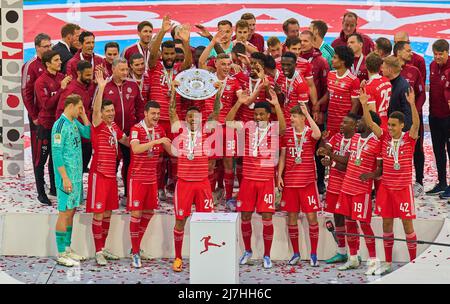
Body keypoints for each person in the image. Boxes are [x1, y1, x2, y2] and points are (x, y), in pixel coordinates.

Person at [360, 84, 419, 275]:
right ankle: (387, 262)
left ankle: (413, 262)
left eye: (394, 125)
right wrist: (364, 105)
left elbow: (416, 125)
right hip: (386, 188)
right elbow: (370, 123)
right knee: (386, 224)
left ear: (402, 125)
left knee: (407, 225)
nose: (390, 128)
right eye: (389, 125)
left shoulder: (409, 139)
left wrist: (412, 105)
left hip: (403, 189)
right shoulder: (384, 136)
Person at [226, 90, 286, 269]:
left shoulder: (274, 128)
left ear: (268, 116)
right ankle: (248, 251)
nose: (258, 117)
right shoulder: (248, 126)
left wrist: (277, 106)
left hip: (266, 180)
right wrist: (238, 103)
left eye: (261, 114)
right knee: (245, 216)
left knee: (267, 217)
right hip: (248, 180)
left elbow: (283, 129)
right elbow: (228, 122)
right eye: (256, 114)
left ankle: (267, 255)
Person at [169, 81, 220, 272]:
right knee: (180, 220)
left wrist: (218, 90)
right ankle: (178, 257)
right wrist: (174, 89)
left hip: (203, 184)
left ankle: (205, 259)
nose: (192, 119)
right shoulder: (180, 130)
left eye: (196, 117)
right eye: (189, 116)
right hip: (184, 183)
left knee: (206, 221)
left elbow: (216, 111)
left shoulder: (207, 131)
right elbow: (171, 111)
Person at [148, 15, 192, 201]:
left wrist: (186, 42)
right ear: (161, 55)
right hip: (157, 120)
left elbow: (189, 63)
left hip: (175, 120)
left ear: (175, 55)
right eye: (165, 54)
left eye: (171, 54)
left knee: (175, 157)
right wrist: (163, 31)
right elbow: (151, 54)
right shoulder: (154, 67)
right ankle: (158, 189)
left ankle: (173, 188)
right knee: (157, 158)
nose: (168, 57)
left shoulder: (180, 70)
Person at [87, 70, 129, 266]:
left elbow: (127, 142)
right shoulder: (97, 125)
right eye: (108, 111)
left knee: (108, 213)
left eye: (112, 111)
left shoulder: (114, 128)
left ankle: (102, 248)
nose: (111, 113)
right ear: (101, 114)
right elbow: (95, 111)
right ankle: (97, 252)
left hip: (111, 175)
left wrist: (147, 142)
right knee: (98, 213)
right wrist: (102, 87)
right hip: (99, 174)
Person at [335, 112, 382, 274]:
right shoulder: (354, 138)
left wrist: (371, 175)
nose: (358, 122)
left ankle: (374, 261)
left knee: (364, 224)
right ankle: (353, 258)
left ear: (370, 123)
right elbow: (348, 160)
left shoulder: (377, 143)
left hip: (362, 191)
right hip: (346, 187)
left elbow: (381, 169)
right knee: (349, 222)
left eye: (361, 120)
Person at [94, 58, 144, 206]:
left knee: (130, 165)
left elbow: (140, 108)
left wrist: (138, 129)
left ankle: (128, 194)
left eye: (126, 69)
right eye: (121, 69)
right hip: (110, 134)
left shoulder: (133, 85)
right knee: (111, 166)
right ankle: (109, 195)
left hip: (129, 133)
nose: (125, 72)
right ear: (113, 69)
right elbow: (96, 109)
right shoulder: (104, 86)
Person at [128, 100, 171, 268]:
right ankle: (136, 253)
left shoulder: (160, 130)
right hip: (137, 178)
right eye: (153, 113)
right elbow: (136, 149)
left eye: (158, 114)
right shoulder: (136, 129)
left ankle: (135, 248)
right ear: (145, 113)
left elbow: (172, 151)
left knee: (149, 212)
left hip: (152, 179)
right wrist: (156, 142)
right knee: (137, 214)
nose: (156, 117)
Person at [278, 103, 322, 266]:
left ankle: (314, 254)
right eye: (291, 116)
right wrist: (279, 175)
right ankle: (296, 253)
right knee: (292, 218)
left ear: (302, 118)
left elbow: (318, 135)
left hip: (308, 182)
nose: (291, 119)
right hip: (290, 182)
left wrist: (308, 115)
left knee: (312, 218)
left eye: (294, 116)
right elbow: (283, 155)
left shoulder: (309, 132)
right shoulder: (287, 133)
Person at [51, 94, 91, 267]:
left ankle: (67, 248)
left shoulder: (73, 122)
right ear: (71, 105)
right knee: (64, 212)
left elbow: (88, 133)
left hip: (76, 178)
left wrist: (83, 116)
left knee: (71, 212)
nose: (81, 110)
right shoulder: (59, 126)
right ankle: (60, 253)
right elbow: (57, 154)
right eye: (79, 107)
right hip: (66, 179)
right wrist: (65, 178)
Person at [317, 113, 358, 264]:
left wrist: (331, 158)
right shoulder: (336, 137)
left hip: (349, 184)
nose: (341, 124)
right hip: (334, 184)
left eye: (345, 122)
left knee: (350, 219)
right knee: (337, 217)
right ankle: (342, 252)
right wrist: (322, 144)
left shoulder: (357, 141)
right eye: (341, 121)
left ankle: (355, 253)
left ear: (354, 126)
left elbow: (347, 162)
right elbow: (324, 150)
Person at [34, 50, 72, 205]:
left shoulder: (62, 78)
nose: (60, 62)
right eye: (56, 60)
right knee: (41, 160)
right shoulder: (41, 82)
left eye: (60, 60)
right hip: (46, 126)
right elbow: (47, 105)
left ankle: (54, 188)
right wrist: (62, 89)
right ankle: (41, 193)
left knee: (55, 158)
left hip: (60, 127)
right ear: (48, 63)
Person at [22, 33, 52, 203]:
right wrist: (34, 116)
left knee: (53, 155)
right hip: (38, 120)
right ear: (37, 47)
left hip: (52, 118)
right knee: (39, 156)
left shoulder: (52, 64)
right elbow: (26, 93)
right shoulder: (31, 66)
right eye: (46, 46)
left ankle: (53, 187)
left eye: (50, 45)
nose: (49, 49)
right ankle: (41, 191)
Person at [299, 30, 330, 193]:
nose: (302, 43)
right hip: (297, 112)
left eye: (305, 41)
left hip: (314, 112)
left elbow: (327, 89)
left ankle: (320, 181)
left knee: (318, 146)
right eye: (300, 41)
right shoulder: (292, 59)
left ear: (313, 42)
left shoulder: (321, 62)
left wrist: (320, 108)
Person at [394, 41, 426, 197]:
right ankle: (394, 182)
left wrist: (414, 112)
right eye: (407, 51)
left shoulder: (414, 71)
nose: (411, 53)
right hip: (394, 120)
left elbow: (422, 94)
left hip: (412, 119)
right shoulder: (388, 69)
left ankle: (419, 182)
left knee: (417, 150)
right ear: (398, 52)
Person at [56, 60, 95, 174]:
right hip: (74, 133)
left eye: (91, 74)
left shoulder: (90, 85)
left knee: (83, 163)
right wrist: (67, 130)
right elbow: (60, 111)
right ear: (78, 73)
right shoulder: (71, 89)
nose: (90, 77)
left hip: (85, 131)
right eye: (87, 75)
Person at [426, 39, 450, 198]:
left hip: (448, 118)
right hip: (435, 116)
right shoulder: (433, 66)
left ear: (447, 53)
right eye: (435, 54)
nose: (437, 57)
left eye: (440, 54)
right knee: (438, 151)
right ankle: (442, 182)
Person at [322, 46, 360, 138]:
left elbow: (356, 104)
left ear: (342, 61)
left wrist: (347, 123)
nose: (332, 60)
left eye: (335, 57)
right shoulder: (331, 74)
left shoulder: (353, 80)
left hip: (343, 124)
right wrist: (318, 104)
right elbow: (328, 93)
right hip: (330, 122)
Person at [281, 37, 319, 110]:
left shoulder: (305, 63)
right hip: (281, 106)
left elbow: (311, 85)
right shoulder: (277, 63)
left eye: (299, 49)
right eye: (294, 49)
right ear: (287, 49)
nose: (297, 52)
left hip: (297, 105)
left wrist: (315, 106)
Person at [382, 56, 412, 130]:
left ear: (390, 70)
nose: (381, 70)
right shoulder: (385, 83)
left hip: (398, 131)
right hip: (389, 127)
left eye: (383, 67)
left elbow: (407, 113)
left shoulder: (404, 87)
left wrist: (403, 134)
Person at [364, 52, 392, 129]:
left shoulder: (369, 86)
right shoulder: (387, 80)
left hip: (377, 127)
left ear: (366, 66)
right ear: (380, 66)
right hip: (387, 123)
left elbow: (372, 113)